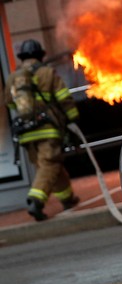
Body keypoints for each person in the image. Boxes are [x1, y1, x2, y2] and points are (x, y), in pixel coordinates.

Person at [4, 38, 80, 221]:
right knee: (49, 164)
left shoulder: (14, 77)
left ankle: (68, 199)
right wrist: (72, 117)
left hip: (26, 132)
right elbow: (64, 98)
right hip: (48, 129)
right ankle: (35, 201)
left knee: (51, 165)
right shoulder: (48, 73)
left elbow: (9, 102)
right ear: (40, 55)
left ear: (23, 57)